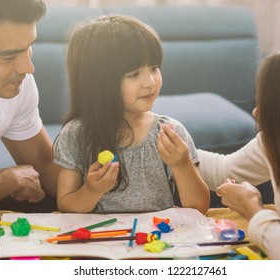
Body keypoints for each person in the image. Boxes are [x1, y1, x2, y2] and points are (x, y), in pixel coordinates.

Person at [54, 15, 209, 214]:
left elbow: (198, 208)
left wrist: (182, 164)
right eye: (134, 74)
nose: (150, 82)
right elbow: (66, 206)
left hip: (157, 240)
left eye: (154, 68)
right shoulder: (76, 134)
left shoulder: (170, 132)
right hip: (102, 242)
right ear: (99, 82)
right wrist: (92, 190)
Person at [197, 41, 280, 259]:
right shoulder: (279, 142)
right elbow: (226, 170)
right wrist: (172, 145)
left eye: (271, 104)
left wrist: (252, 210)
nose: (256, 113)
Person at [0, 0, 58, 215]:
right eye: (8, 56)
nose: (28, 68)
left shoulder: (17, 85)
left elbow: (44, 167)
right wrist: (4, 181)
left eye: (29, 47)